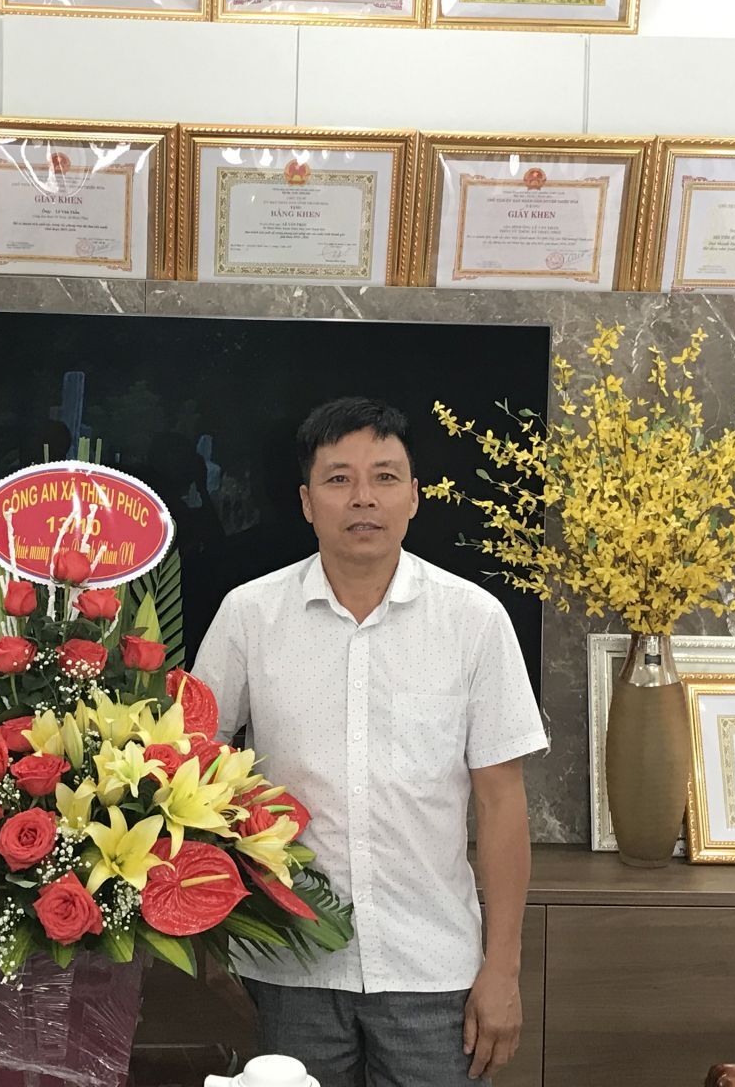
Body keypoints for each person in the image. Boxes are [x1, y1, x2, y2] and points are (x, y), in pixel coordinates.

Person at [192, 397, 548, 1087]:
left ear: (414, 496)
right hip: (288, 966)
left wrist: (502, 970)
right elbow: (190, 773)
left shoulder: (473, 620)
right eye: (339, 479)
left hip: (434, 972)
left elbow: (502, 804)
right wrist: (213, 937)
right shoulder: (250, 615)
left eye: (385, 477)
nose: (363, 498)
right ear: (306, 501)